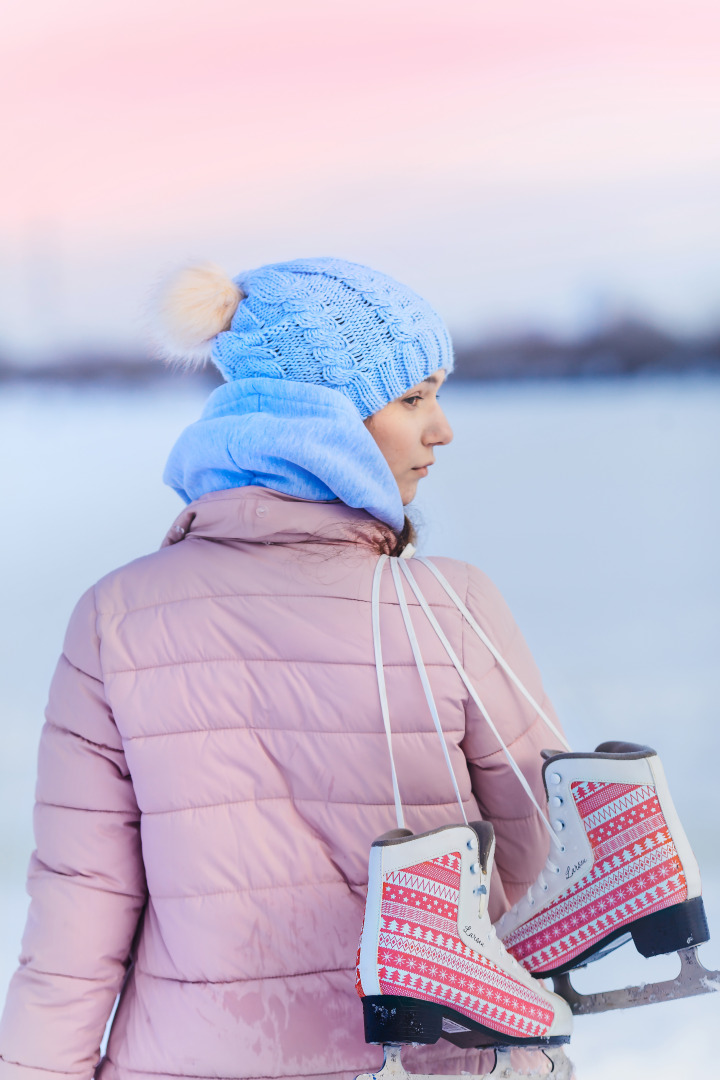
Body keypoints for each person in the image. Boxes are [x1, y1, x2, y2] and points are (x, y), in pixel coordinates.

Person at [0, 258, 569, 1080]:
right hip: (425, 1063)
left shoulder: (114, 616)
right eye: (412, 398)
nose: (440, 429)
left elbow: (79, 906)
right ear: (321, 415)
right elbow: (546, 862)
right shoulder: (449, 606)